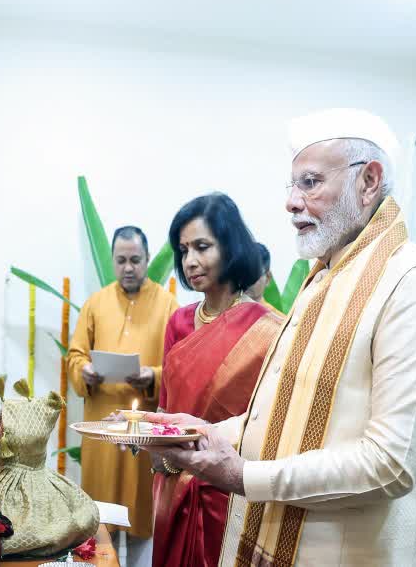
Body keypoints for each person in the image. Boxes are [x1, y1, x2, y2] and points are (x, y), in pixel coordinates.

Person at [145, 109, 416, 566]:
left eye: (310, 183)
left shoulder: (410, 282)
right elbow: (275, 418)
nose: (291, 202)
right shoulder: (324, 279)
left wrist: (244, 476)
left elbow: (390, 464)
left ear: (369, 181)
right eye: (292, 186)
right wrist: (191, 436)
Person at [152, 194, 284, 567]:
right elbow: (165, 409)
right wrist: (140, 435)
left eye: (202, 247)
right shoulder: (179, 322)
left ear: (230, 247)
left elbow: (269, 425)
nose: (189, 261)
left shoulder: (267, 328)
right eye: (183, 250)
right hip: (170, 484)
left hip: (228, 491)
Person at [66, 226, 178, 548]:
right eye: (121, 260)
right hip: (102, 426)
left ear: (146, 259)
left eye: (135, 260)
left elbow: (179, 363)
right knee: (100, 524)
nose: (128, 268)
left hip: (144, 429)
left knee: (144, 516)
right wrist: (84, 370)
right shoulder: (95, 304)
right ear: (113, 261)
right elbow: (75, 355)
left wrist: (153, 376)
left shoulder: (168, 305)